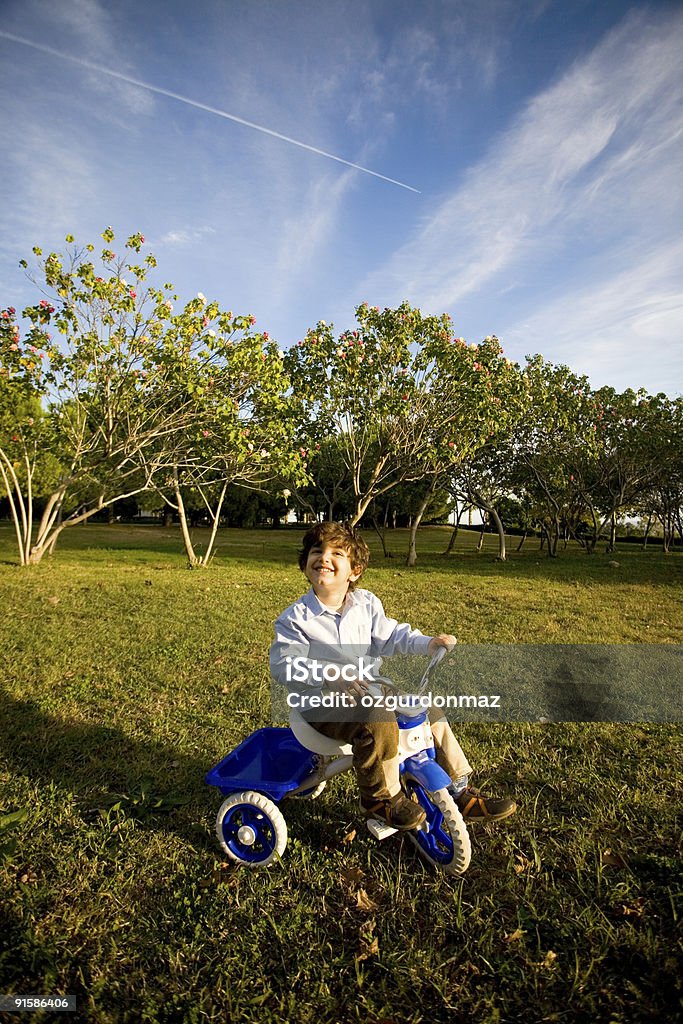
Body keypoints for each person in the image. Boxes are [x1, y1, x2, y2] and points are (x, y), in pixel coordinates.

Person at [270, 521, 516, 831]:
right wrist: (328, 674)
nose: (324, 558)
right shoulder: (295, 618)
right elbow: (283, 665)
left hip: (368, 688)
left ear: (354, 571)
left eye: (336, 553)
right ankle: (380, 799)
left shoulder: (365, 604)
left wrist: (428, 643)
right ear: (305, 564)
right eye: (317, 551)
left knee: (427, 710)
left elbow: (392, 635)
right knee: (377, 718)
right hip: (320, 702)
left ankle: (459, 789)